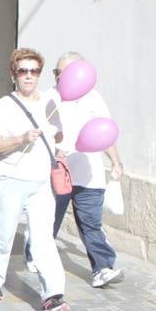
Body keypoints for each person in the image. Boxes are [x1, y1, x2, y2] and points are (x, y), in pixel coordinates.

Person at [0, 48, 71, 311]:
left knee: (44, 239)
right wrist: (20, 139)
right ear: (13, 74)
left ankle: (53, 295)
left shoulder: (50, 103)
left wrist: (57, 148)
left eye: (34, 71)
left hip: (41, 182)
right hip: (9, 179)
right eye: (23, 71)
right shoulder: (5, 105)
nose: (29, 76)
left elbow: (57, 134)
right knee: (2, 233)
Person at [30, 53, 125, 288]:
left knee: (91, 223)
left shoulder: (94, 98)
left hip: (89, 173)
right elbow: (39, 133)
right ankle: (34, 252)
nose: (59, 76)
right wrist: (54, 150)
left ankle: (102, 268)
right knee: (50, 219)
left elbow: (104, 132)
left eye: (63, 72)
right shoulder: (48, 97)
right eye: (56, 72)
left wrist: (116, 161)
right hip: (58, 171)